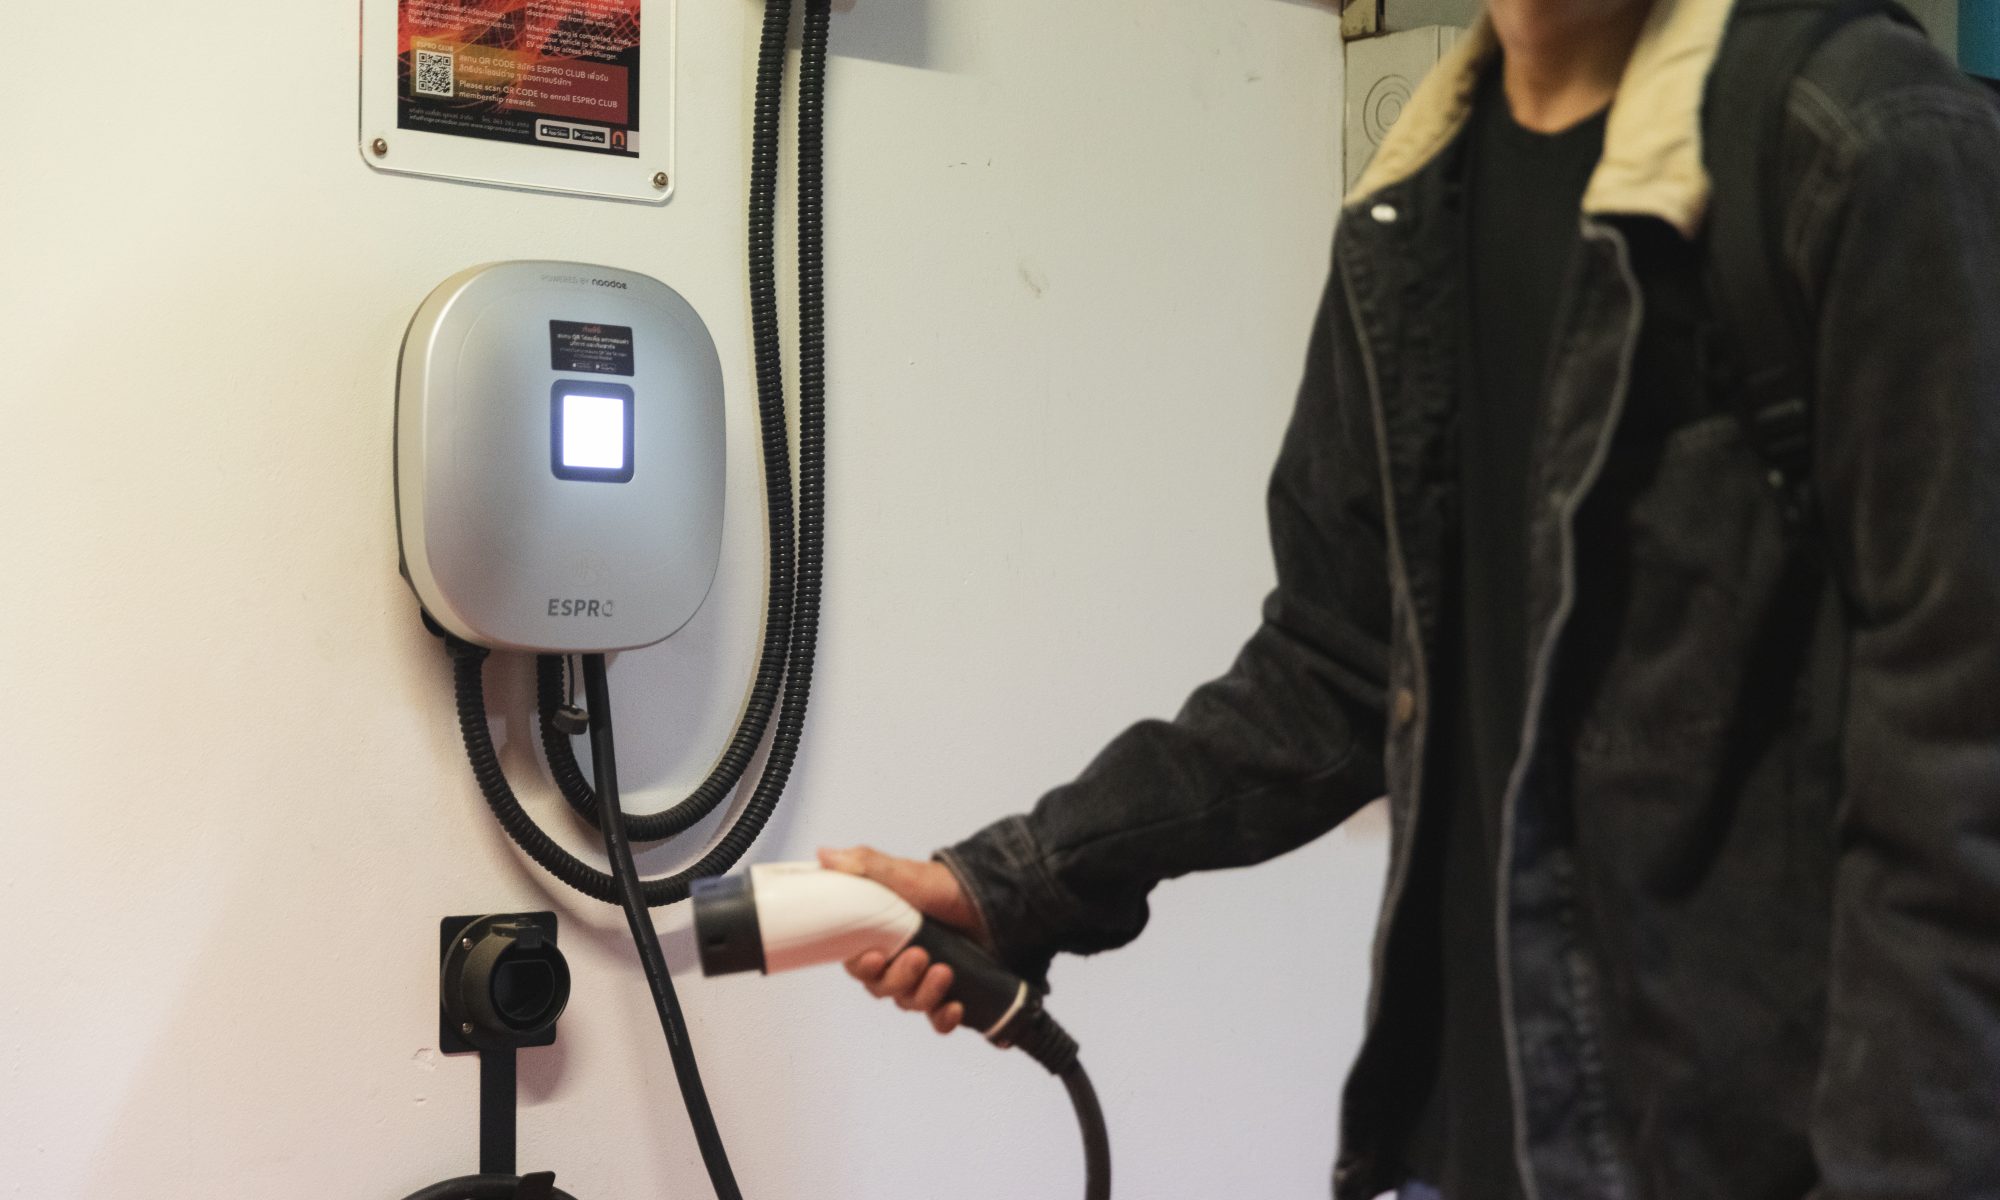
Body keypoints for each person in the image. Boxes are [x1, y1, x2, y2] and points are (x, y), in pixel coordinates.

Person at [823, 0, 2000, 1195]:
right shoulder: (1413, 203)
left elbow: (1961, 785)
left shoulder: (1864, 144)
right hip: (1460, 1150)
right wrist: (1013, 883)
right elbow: (1333, 664)